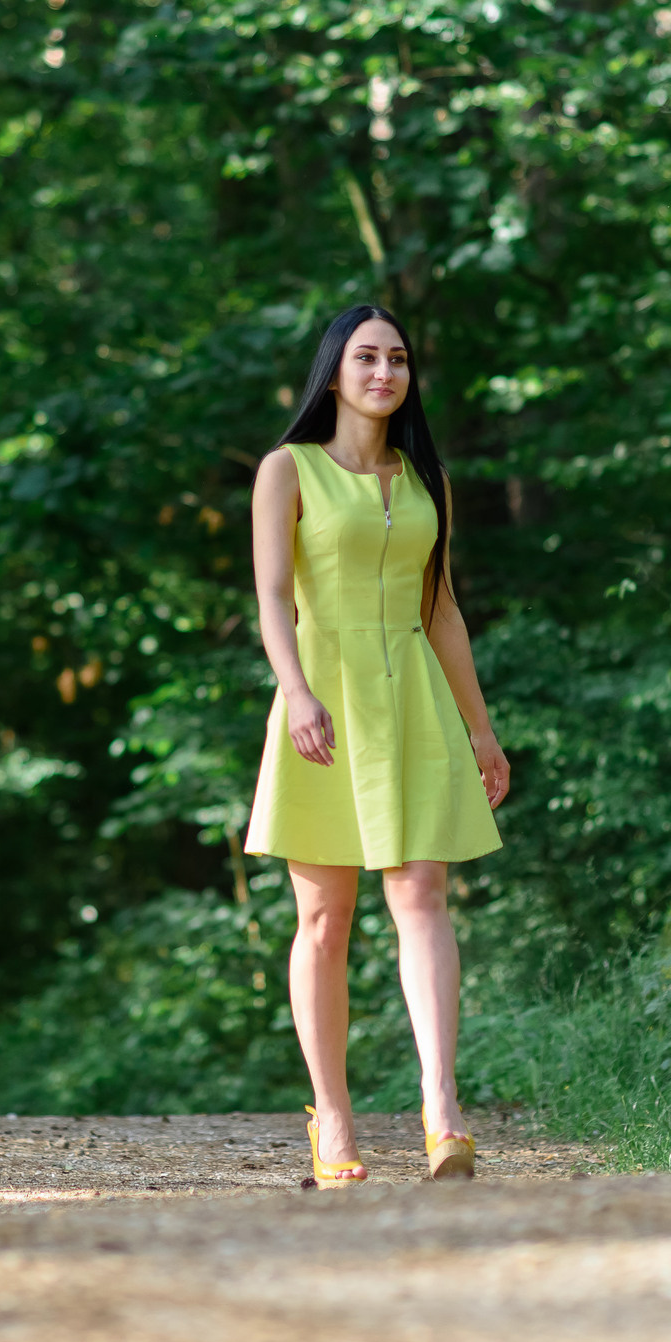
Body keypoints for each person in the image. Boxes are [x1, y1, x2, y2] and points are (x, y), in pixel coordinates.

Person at [244, 304, 510, 1188]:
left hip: (414, 698)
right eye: (367, 357)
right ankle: (335, 1120)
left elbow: (443, 612)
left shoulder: (429, 478)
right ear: (333, 371)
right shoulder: (288, 471)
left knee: (424, 892)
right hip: (323, 696)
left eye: (398, 358)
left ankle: (442, 1111)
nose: (385, 373)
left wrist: (480, 727)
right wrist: (296, 691)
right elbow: (273, 598)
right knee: (322, 920)